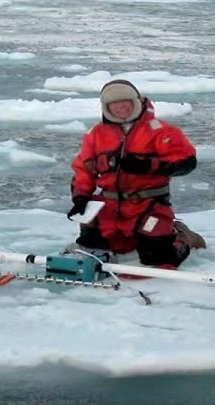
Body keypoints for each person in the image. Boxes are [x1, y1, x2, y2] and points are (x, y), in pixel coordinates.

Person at [67, 79, 205, 268]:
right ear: (106, 107)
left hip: (149, 206)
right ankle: (131, 237)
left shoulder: (162, 130)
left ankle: (183, 237)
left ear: (137, 101)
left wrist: (150, 165)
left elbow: (186, 162)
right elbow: (83, 169)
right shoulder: (96, 134)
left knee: (158, 259)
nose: (120, 107)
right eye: (113, 103)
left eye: (125, 101)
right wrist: (81, 197)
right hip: (108, 207)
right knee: (94, 252)